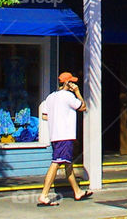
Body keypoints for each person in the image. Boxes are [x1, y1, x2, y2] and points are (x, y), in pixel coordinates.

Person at [37, 71, 92, 206]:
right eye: (72, 82)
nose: (74, 84)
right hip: (65, 135)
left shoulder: (50, 97)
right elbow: (83, 107)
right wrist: (78, 92)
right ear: (67, 83)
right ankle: (44, 194)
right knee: (56, 163)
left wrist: (58, 117)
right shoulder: (68, 96)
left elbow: (45, 116)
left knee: (67, 163)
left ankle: (77, 191)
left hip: (55, 135)